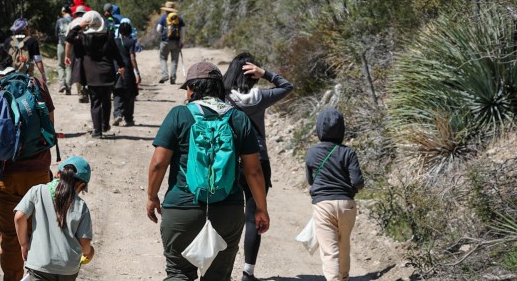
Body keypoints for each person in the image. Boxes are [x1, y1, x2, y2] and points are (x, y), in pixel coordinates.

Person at [146, 61, 270, 281]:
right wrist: (261, 208)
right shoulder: (238, 118)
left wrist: (152, 196)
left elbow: (158, 163)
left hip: (182, 207)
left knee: (178, 272)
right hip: (228, 209)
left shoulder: (179, 115)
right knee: (218, 276)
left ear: (192, 89)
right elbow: (253, 171)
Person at [0, 44, 56, 281]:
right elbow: (50, 126)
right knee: (40, 232)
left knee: (10, 236)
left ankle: (14, 278)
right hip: (38, 174)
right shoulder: (34, 84)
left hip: (4, 176)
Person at [223, 53, 293, 281]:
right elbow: (287, 86)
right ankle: (248, 272)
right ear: (252, 76)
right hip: (259, 161)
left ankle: (220, 269)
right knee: (254, 215)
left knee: (226, 213)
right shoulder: (260, 97)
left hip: (230, 161)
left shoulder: (223, 98)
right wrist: (266, 74)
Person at [14, 156, 95, 281]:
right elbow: (84, 246)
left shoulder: (38, 191)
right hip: (68, 269)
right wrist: (90, 253)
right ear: (82, 185)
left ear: (57, 173)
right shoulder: (81, 206)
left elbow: (19, 217)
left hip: (40, 264)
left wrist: (24, 244)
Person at [306, 108, 365, 281]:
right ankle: (344, 278)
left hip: (323, 204)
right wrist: (349, 191)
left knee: (330, 250)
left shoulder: (312, 152)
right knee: (344, 245)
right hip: (347, 204)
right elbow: (358, 182)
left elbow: (310, 180)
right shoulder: (348, 153)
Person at [65, 10, 125, 138]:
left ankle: (97, 131)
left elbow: (69, 38)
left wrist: (79, 26)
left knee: (95, 102)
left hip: (91, 75)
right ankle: (104, 125)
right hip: (107, 73)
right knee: (107, 100)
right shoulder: (108, 35)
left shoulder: (82, 37)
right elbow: (116, 52)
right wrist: (121, 65)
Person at [112, 20, 141, 127]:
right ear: (129, 31)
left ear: (119, 31)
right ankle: (128, 118)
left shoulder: (114, 41)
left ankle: (117, 114)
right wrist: (137, 72)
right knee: (130, 94)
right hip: (128, 71)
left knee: (117, 92)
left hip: (117, 70)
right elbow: (132, 57)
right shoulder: (131, 41)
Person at [5, 17, 47, 85]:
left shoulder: (8, 41)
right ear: (25, 28)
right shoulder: (32, 41)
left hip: (11, 77)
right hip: (27, 77)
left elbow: (4, 60)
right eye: (28, 27)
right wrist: (43, 74)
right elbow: (37, 60)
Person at [156, 1, 185, 85]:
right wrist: (182, 41)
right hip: (176, 42)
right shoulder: (179, 18)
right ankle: (173, 78)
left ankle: (165, 74)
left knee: (163, 58)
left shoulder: (163, 18)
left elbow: (158, 29)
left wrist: (162, 35)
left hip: (165, 41)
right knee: (174, 60)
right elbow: (183, 31)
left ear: (166, 9)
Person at [65, 6, 89, 103]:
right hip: (88, 48)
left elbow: (68, 41)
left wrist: (67, 55)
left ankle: (81, 94)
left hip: (77, 49)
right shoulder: (88, 22)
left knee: (78, 70)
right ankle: (87, 89)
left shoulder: (72, 23)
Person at [54, 6, 73, 95]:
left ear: (63, 12)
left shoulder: (59, 21)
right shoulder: (73, 20)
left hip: (61, 43)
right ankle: (68, 87)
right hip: (71, 45)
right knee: (69, 65)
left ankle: (62, 83)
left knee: (60, 65)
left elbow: (56, 33)